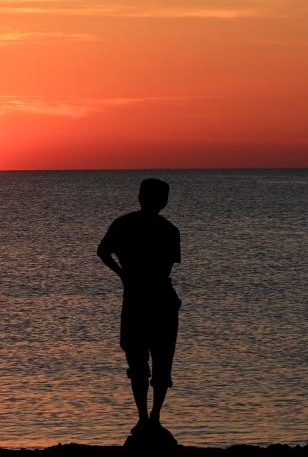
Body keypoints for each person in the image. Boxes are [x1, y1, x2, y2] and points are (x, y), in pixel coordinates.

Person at [97, 178, 181, 445]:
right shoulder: (169, 229)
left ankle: (145, 418)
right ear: (164, 201)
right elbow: (167, 268)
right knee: (161, 361)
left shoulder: (123, 224)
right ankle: (154, 418)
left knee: (137, 363)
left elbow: (103, 251)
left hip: (135, 299)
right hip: (161, 300)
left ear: (139, 197)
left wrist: (124, 274)